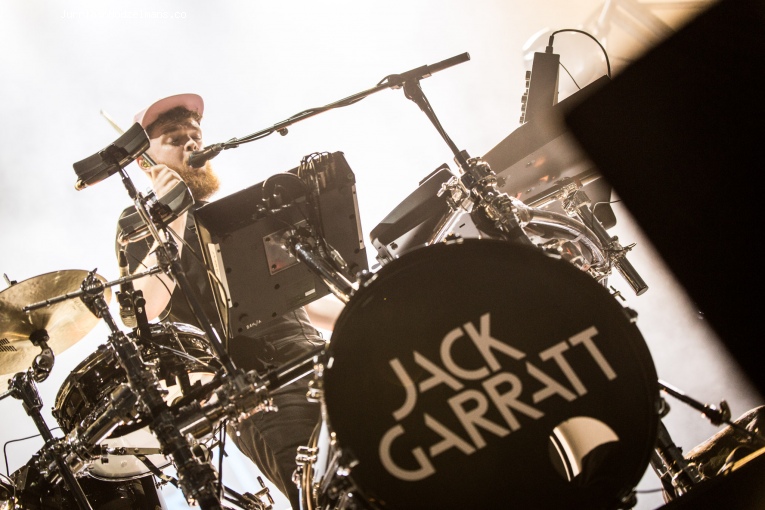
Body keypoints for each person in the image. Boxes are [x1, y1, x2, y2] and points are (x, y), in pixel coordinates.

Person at [116, 93, 327, 510]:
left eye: (195, 136)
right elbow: (143, 306)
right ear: (145, 162)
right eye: (174, 139)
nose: (191, 144)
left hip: (317, 356)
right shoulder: (139, 220)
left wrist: (377, 306)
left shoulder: (232, 215)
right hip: (256, 384)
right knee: (320, 492)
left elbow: (304, 300)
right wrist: (171, 212)